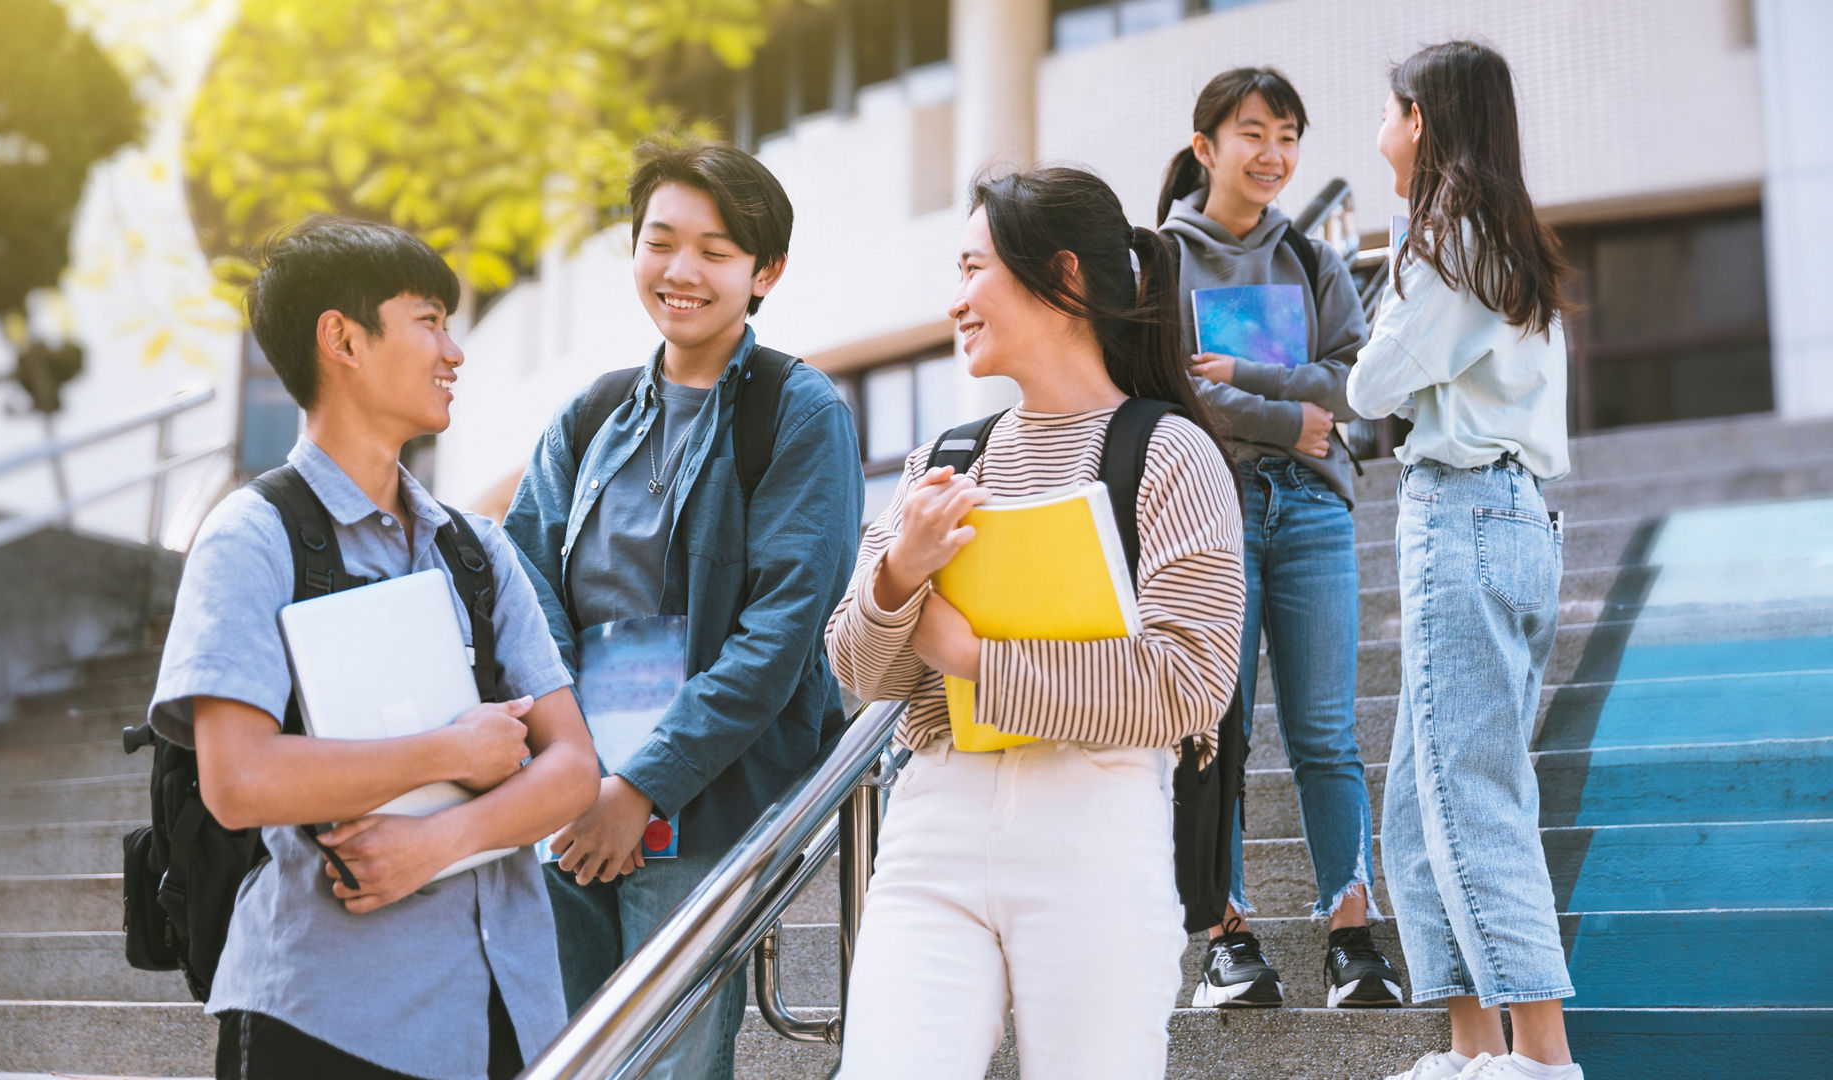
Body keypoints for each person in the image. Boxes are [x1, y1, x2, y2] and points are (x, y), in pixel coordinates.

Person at [148, 216, 601, 1080]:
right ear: (342, 339)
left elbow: (574, 768)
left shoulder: (477, 546)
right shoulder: (252, 535)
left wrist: (440, 841)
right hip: (326, 1015)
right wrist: (450, 749)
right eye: (429, 320)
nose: (454, 351)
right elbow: (237, 780)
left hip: (509, 1012)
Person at [826, 166, 1246, 1080]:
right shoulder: (943, 461)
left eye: (973, 267)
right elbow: (858, 669)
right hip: (933, 818)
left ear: (1061, 279)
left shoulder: (1169, 453)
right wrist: (899, 575)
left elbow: (1188, 682)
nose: (956, 300)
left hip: (1097, 820)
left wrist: (969, 654)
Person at [503, 137, 863, 1080]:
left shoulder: (798, 410)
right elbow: (522, 578)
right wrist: (575, 760)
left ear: (765, 271)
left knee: (674, 1060)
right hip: (570, 785)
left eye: (715, 250)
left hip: (708, 798)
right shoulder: (592, 413)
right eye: (660, 242)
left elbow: (784, 632)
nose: (682, 272)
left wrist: (644, 785)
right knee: (563, 1055)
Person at [1347, 40, 1582, 1080]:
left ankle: (1540, 1058)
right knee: (1420, 800)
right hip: (1514, 517)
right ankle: (1470, 1048)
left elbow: (1371, 385)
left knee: (1470, 792)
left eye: (1391, 114)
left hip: (1468, 514)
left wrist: (1399, 256)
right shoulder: (1505, 237)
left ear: (1422, 121)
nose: (1381, 135)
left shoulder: (1453, 242)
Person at [1156, 65, 1404, 1009]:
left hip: (1310, 513)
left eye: (1290, 135)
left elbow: (1353, 386)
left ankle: (1350, 935)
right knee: (1216, 729)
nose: (1274, 154)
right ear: (1205, 147)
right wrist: (1286, 416)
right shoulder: (1162, 260)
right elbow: (1174, 393)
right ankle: (1226, 936)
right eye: (1253, 133)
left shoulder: (1313, 259)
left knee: (1328, 735)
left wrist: (1252, 382)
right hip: (1211, 515)